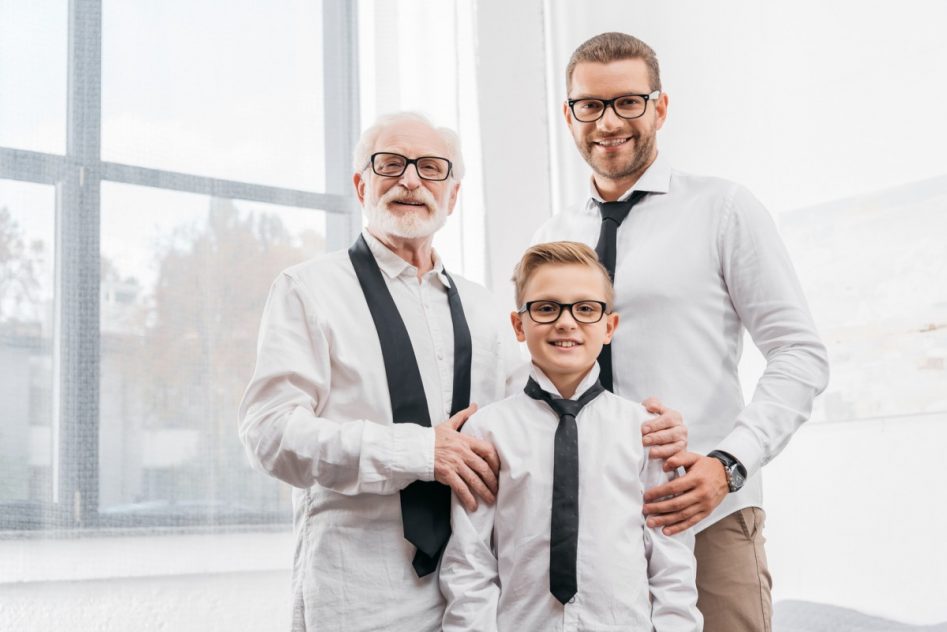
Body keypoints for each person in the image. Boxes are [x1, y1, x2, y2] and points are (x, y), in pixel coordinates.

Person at [238, 111, 687, 631]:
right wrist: (420, 452)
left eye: (432, 168)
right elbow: (268, 434)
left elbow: (550, 414)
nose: (411, 180)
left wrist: (651, 430)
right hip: (356, 594)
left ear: (452, 196)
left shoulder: (484, 309)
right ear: (362, 184)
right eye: (391, 165)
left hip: (474, 597)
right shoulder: (307, 290)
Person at [532, 33, 830, 632]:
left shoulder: (724, 209)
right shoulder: (553, 233)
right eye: (590, 105)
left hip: (707, 515)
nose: (608, 121)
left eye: (628, 102)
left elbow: (800, 355)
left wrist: (729, 463)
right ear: (570, 116)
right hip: (591, 521)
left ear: (660, 108)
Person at [439, 241, 702, 631]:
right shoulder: (486, 432)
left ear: (609, 327)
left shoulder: (647, 431)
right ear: (518, 325)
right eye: (546, 308)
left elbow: (672, 562)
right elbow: (469, 562)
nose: (566, 322)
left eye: (585, 308)